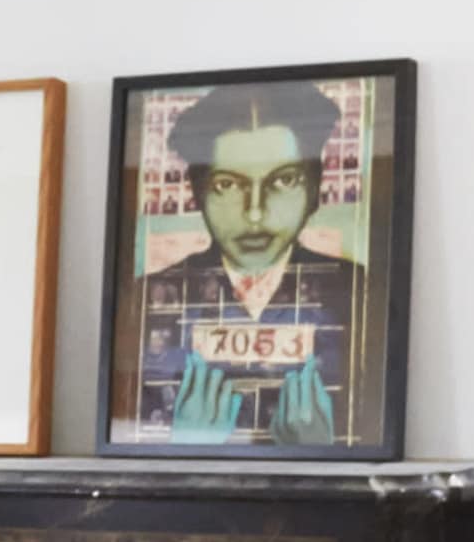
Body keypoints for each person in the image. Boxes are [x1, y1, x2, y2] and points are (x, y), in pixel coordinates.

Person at [135, 79, 363, 446]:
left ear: (313, 189)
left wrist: (320, 455)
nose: (255, 212)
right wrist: (186, 449)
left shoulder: (361, 294)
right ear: (199, 192)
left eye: (284, 180)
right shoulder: (143, 300)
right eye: (227, 185)